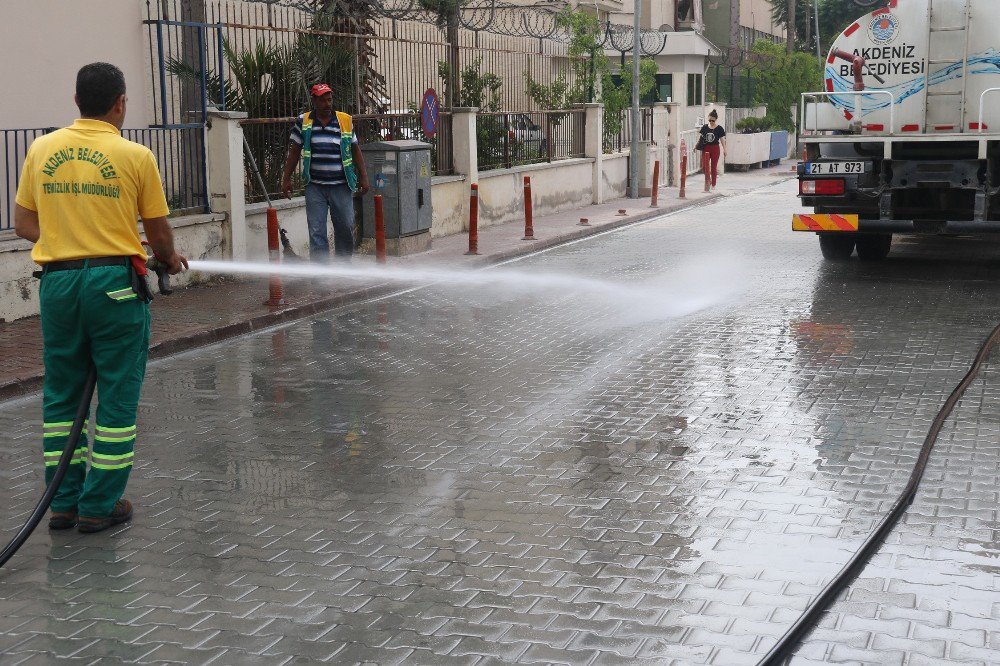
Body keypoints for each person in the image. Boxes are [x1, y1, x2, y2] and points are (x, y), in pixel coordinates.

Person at [14, 62, 187, 533]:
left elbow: (23, 224)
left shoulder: (41, 148)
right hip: (113, 286)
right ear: (120, 103)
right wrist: (169, 259)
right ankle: (98, 506)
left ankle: (63, 503)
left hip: (58, 284)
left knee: (62, 396)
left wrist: (70, 234)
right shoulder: (135, 156)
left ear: (76, 102)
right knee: (115, 395)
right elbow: (158, 233)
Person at [281, 83, 370, 262]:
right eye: (322, 100)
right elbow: (295, 150)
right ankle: (321, 270)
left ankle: (344, 263)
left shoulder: (344, 120)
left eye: (329, 99)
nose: (327, 103)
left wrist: (363, 176)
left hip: (341, 184)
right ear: (314, 100)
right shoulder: (304, 121)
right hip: (315, 185)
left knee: (345, 225)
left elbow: (355, 149)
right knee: (316, 230)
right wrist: (287, 178)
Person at [699, 109, 727, 191]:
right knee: (704, 167)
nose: (711, 122)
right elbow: (701, 138)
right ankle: (709, 180)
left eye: (713, 120)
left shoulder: (719, 128)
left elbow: (722, 139)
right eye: (709, 120)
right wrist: (696, 146)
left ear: (715, 120)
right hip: (706, 148)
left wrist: (725, 149)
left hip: (715, 148)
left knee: (713, 167)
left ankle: (713, 184)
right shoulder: (704, 127)